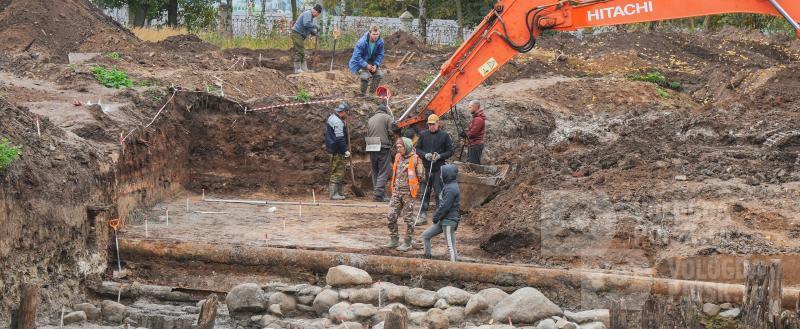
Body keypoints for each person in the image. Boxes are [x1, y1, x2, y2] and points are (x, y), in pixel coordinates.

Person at [385, 137, 425, 251]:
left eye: (400, 147)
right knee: (391, 216)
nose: (398, 149)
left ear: (406, 146)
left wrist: (420, 174)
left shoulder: (416, 159)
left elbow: (422, 177)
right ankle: (394, 239)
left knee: (408, 219)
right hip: (396, 192)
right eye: (397, 147)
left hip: (408, 193)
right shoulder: (398, 157)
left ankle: (407, 242)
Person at [415, 114, 453, 225]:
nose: (431, 126)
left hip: (438, 169)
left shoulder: (444, 136)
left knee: (439, 193)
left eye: (433, 124)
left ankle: (438, 216)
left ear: (438, 123)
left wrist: (440, 156)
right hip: (426, 169)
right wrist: (425, 155)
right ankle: (422, 215)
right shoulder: (423, 135)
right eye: (429, 124)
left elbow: (450, 151)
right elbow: (417, 149)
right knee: (424, 192)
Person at [421, 164, 460, 261]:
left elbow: (445, 206)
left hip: (448, 221)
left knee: (451, 246)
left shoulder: (451, 189)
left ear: (447, 175)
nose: (440, 176)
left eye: (441, 174)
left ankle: (454, 268)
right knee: (426, 235)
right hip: (443, 219)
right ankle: (427, 259)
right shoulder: (448, 186)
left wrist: (436, 217)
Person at [367, 104, 394, 202]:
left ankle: (378, 192)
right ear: (385, 111)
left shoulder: (371, 119)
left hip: (370, 145)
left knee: (375, 170)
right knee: (384, 170)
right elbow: (391, 131)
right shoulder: (387, 117)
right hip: (382, 145)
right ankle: (378, 194)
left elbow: (368, 132)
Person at [348, 25, 385, 96]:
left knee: (379, 74)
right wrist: (365, 65)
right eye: (374, 34)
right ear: (369, 33)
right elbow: (357, 57)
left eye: (377, 34)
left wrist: (376, 65)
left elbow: (380, 54)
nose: (375, 36)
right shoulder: (362, 42)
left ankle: (371, 94)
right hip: (359, 63)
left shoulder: (380, 42)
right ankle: (362, 94)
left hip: (371, 62)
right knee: (365, 76)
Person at [325, 102, 350, 200]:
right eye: (347, 112)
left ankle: (339, 192)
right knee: (337, 171)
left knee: (340, 171)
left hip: (332, 148)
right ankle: (333, 194)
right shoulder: (337, 122)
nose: (347, 114)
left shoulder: (333, 117)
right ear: (343, 112)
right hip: (336, 150)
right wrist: (345, 150)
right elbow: (340, 138)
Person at [291, 4, 322, 74]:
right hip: (296, 33)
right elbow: (306, 23)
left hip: (299, 35)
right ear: (315, 11)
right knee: (299, 50)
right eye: (317, 14)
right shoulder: (308, 13)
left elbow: (308, 27)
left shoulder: (310, 16)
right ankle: (297, 69)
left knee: (301, 50)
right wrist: (315, 26)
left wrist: (313, 32)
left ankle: (304, 69)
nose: (316, 16)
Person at [461, 100, 486, 164]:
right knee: (472, 164)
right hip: (474, 144)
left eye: (470, 107)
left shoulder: (478, 119)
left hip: (476, 145)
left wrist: (465, 135)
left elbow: (473, 133)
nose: (469, 109)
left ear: (475, 107)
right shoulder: (477, 118)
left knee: (473, 165)